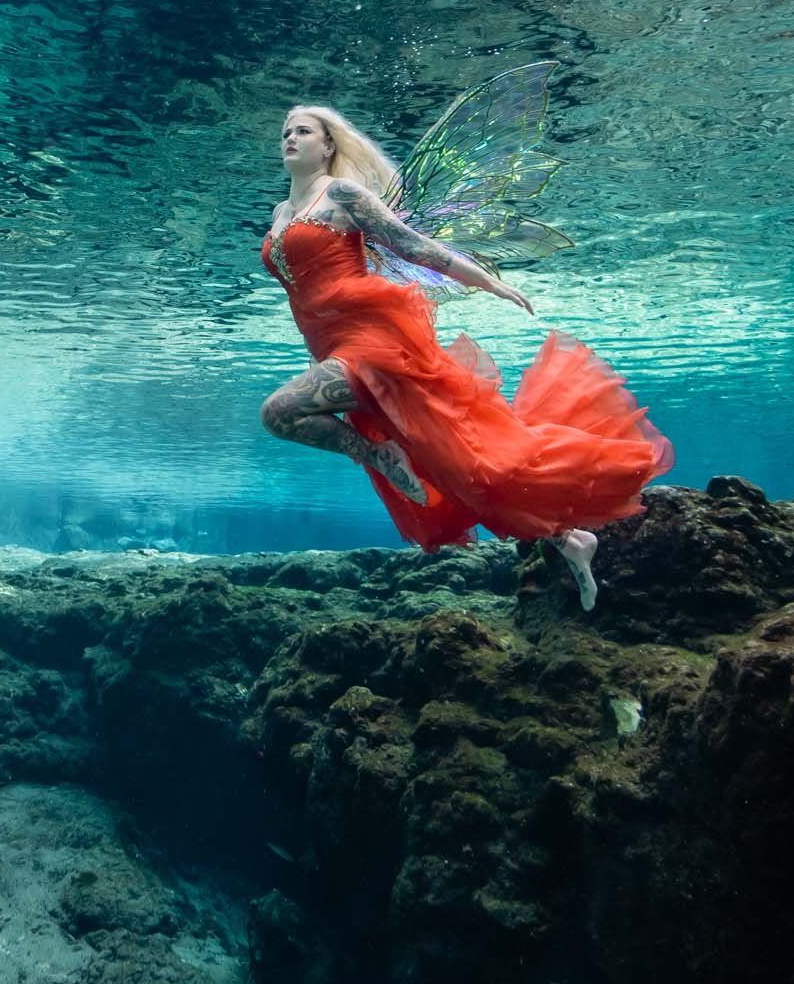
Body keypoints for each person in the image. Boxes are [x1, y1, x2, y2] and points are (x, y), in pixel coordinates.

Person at [260, 105, 673, 608]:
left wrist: (488, 282)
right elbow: (303, 293)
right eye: (285, 132)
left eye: (303, 131)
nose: (291, 138)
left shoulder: (342, 195)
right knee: (456, 463)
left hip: (376, 340)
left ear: (328, 146)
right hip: (330, 345)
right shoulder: (282, 215)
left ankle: (379, 456)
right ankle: (568, 540)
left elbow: (414, 247)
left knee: (279, 413)